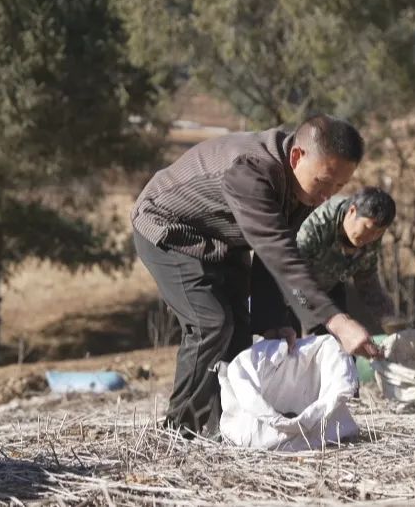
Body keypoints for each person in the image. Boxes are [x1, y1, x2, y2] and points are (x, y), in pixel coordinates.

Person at [131, 114, 382, 438]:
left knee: (239, 337)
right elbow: (277, 251)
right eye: (324, 182)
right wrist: (337, 321)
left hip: (222, 239)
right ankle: (177, 433)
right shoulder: (250, 173)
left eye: (339, 187)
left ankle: (226, 430)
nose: (327, 196)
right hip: (168, 227)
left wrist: (270, 320)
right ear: (297, 157)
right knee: (211, 324)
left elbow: (274, 251)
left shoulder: (303, 187)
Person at [253, 186, 402, 336]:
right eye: (367, 229)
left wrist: (389, 320)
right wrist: (319, 315)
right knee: (289, 347)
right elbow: (292, 279)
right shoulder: (316, 225)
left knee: (341, 345)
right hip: (290, 288)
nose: (371, 237)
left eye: (379, 233)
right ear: (352, 211)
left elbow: (367, 280)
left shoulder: (372, 233)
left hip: (330, 284)